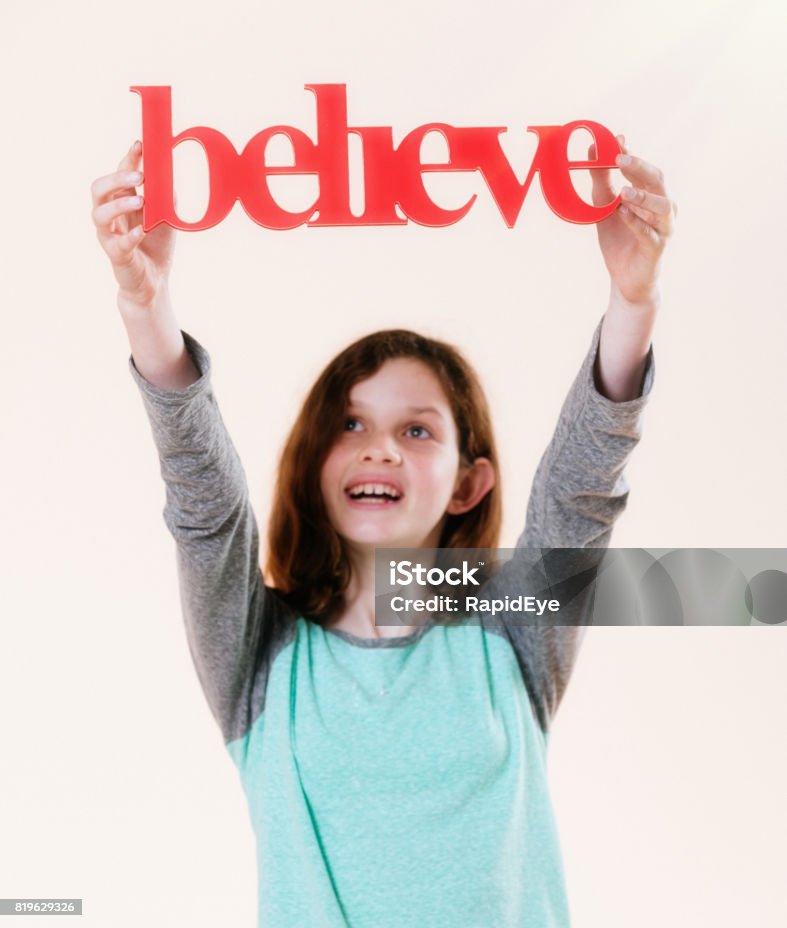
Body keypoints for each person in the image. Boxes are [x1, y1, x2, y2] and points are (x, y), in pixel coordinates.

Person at [91, 137, 675, 927]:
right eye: (352, 423)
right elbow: (206, 516)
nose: (378, 446)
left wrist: (631, 301)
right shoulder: (263, 658)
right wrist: (146, 313)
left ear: (470, 483)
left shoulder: (507, 629)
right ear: (315, 462)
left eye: (417, 431)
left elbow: (580, 494)